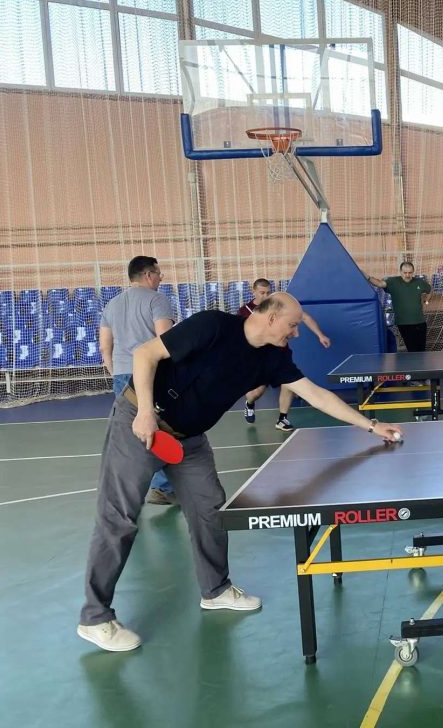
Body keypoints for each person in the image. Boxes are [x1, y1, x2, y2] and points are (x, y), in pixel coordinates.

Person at [77, 293, 403, 652]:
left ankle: (215, 590)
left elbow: (315, 395)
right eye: (293, 325)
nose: (296, 333)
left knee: (210, 509)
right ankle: (95, 617)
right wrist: (144, 413)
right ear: (271, 318)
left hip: (189, 439)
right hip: (140, 423)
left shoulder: (274, 357)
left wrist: (371, 425)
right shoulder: (213, 326)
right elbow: (145, 354)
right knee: (119, 518)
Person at [98, 256, 177, 506]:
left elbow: (105, 346)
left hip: (121, 374)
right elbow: (166, 340)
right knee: (159, 427)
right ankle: (162, 487)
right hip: (151, 373)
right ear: (148, 275)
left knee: (129, 433)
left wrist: (116, 372)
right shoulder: (157, 300)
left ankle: (125, 492)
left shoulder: (111, 304)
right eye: (159, 273)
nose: (161, 278)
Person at [238, 278, 331, 431]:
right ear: (253, 291)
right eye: (262, 292)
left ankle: (282, 418)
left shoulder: (278, 305)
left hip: (280, 354)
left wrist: (320, 335)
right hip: (260, 357)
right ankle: (250, 403)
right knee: (256, 393)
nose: (265, 296)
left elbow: (305, 317)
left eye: (268, 292)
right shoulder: (244, 311)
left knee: (288, 384)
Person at [366, 262, 431, 352]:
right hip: (404, 324)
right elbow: (380, 284)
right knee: (412, 350)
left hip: (420, 322)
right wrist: (368, 277)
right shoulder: (393, 281)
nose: (407, 275)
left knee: (421, 350)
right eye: (405, 273)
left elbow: (429, 290)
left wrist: (426, 301)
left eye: (410, 272)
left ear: (413, 272)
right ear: (400, 272)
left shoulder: (420, 282)